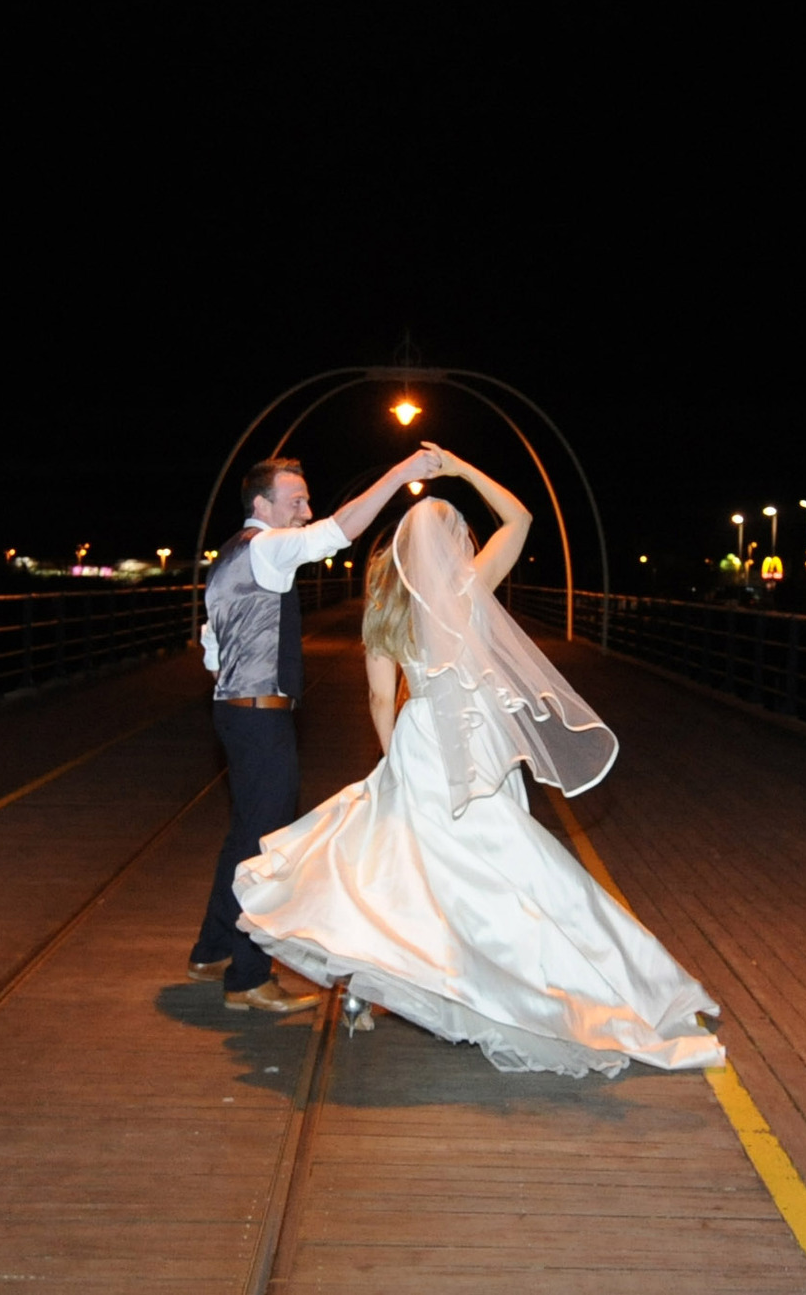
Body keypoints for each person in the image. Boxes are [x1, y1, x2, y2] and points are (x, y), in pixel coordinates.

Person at [233, 446, 726, 1075]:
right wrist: (463, 469)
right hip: (476, 740)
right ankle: (552, 984)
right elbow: (520, 520)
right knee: (506, 869)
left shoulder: (383, 604)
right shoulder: (470, 588)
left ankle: (375, 985)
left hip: (418, 740)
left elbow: (380, 697)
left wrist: (394, 760)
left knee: (403, 873)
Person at [191, 447, 442, 1013]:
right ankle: (248, 979)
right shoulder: (267, 547)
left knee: (244, 835)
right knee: (265, 845)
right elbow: (339, 530)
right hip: (260, 716)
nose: (305, 511)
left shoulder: (230, 555)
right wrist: (401, 473)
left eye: (306, 501)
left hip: (235, 710)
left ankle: (212, 950)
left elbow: (213, 649)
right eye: (295, 501)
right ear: (262, 505)